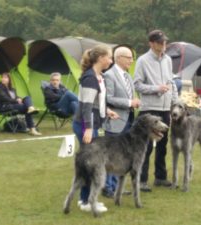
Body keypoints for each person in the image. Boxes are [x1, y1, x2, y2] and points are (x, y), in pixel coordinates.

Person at [72, 44, 119, 213]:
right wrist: (88, 129)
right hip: (85, 125)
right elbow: (85, 106)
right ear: (100, 58)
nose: (111, 60)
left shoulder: (100, 77)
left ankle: (84, 199)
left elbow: (96, 102)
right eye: (110, 57)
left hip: (91, 123)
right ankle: (86, 201)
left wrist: (107, 111)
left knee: (90, 162)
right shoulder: (90, 78)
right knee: (91, 163)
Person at [134, 29, 178, 192]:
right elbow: (137, 85)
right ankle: (142, 179)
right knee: (146, 146)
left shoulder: (167, 60)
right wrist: (156, 88)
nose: (163, 44)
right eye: (160, 42)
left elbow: (171, 83)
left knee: (163, 145)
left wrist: (174, 103)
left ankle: (160, 177)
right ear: (151, 43)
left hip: (166, 109)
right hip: (149, 109)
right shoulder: (142, 61)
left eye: (164, 41)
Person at [102, 46, 141, 198]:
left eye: (132, 57)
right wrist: (130, 103)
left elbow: (131, 96)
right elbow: (109, 98)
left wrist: (135, 102)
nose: (131, 61)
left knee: (123, 156)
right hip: (115, 121)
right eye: (129, 57)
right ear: (119, 58)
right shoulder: (109, 76)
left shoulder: (128, 76)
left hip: (129, 120)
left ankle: (118, 186)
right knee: (112, 155)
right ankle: (107, 187)